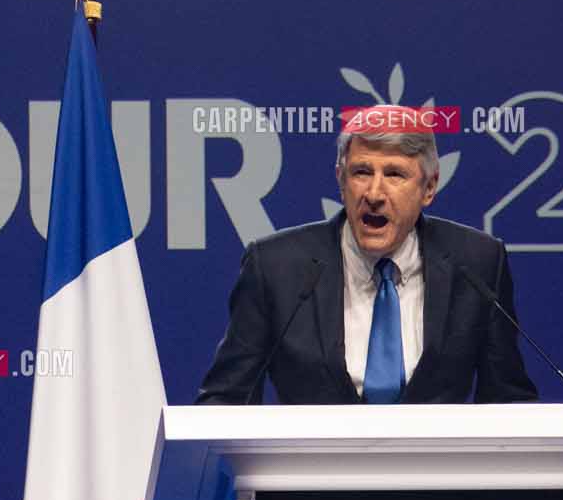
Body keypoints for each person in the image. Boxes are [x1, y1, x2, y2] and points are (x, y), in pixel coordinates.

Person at [195, 118, 538, 404]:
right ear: (340, 180)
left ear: (429, 187)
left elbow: (508, 402)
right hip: (310, 467)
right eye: (361, 172)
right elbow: (225, 400)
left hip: (436, 467)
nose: (374, 194)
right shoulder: (275, 266)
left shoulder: (477, 262)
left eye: (395, 174)